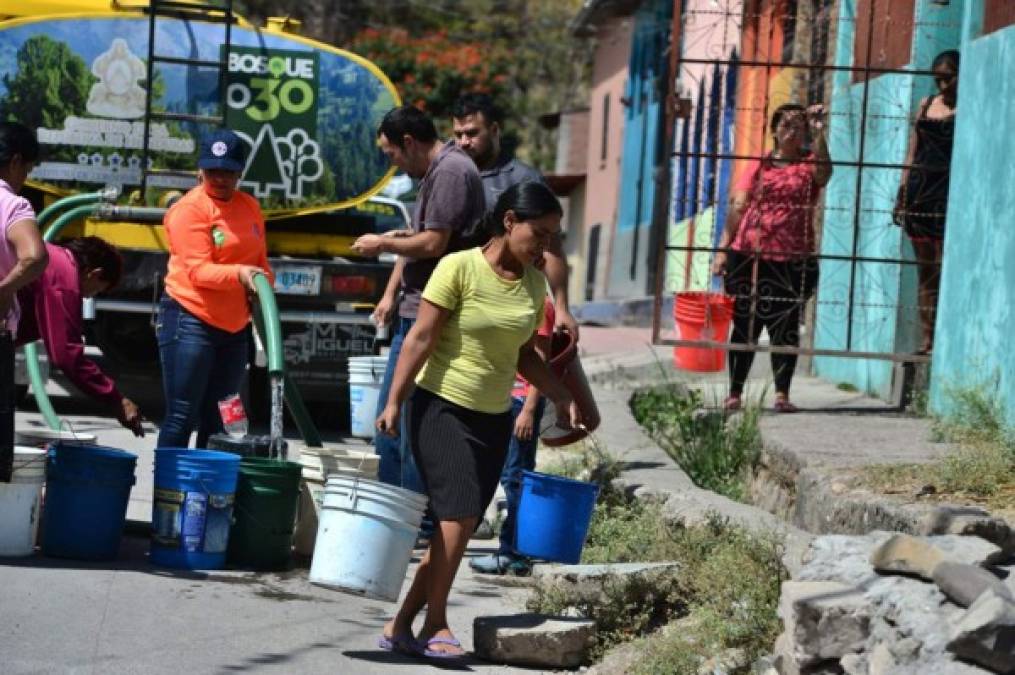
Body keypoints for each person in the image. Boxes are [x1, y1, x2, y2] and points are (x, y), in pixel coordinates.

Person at [375, 182, 581, 659]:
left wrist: (557, 393)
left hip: (493, 418)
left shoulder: (533, 285)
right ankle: (437, 624)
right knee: (457, 514)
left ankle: (401, 623)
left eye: (553, 237)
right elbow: (420, 339)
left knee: (458, 527)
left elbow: (526, 357)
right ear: (509, 222)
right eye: (540, 233)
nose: (546, 246)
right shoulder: (458, 267)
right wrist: (393, 402)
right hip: (440, 406)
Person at [351, 105, 486, 497]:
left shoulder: (449, 172)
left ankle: (406, 519)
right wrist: (391, 291)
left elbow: (432, 243)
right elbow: (417, 237)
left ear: (408, 142)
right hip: (414, 309)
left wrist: (380, 243)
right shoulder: (438, 172)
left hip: (429, 315)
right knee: (395, 425)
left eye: (390, 153)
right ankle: (398, 515)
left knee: (400, 425)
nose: (391, 163)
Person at [156, 129, 273, 449]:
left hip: (235, 328)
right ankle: (169, 495)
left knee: (222, 419)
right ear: (201, 170)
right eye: (212, 170)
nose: (220, 178)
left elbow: (260, 260)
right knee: (182, 415)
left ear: (239, 172)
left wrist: (264, 281)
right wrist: (242, 274)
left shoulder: (249, 206)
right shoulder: (190, 209)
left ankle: (209, 495)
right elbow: (198, 271)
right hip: (190, 319)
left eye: (228, 171)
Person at [711, 103, 831, 413]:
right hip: (750, 254)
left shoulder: (808, 164)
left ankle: (782, 393)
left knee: (786, 325)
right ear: (775, 130)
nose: (794, 131)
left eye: (800, 126)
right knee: (746, 324)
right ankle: (735, 392)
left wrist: (819, 133)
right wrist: (723, 251)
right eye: (787, 125)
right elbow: (738, 207)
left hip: (793, 257)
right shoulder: (758, 166)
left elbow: (824, 175)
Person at [450, 93, 579, 337]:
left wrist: (562, 309)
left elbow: (551, 247)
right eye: (458, 135)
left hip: (509, 304)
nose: (464, 142)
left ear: (495, 129)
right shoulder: (449, 175)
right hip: (454, 302)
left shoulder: (522, 179)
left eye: (472, 133)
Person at [16, 237, 143, 435]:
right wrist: (116, 400)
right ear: (95, 273)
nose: (87, 297)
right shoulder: (64, 278)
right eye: (96, 290)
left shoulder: (51, 257)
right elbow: (66, 354)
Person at [470, 295, 553, 576]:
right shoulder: (513, 297)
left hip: (520, 403)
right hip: (501, 399)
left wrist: (528, 410)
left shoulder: (540, 305)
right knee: (499, 472)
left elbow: (541, 360)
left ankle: (513, 553)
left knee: (516, 478)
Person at [893, 50, 958, 356]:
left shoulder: (968, 107)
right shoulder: (925, 105)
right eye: (938, 79)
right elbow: (912, 150)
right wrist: (902, 191)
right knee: (925, 270)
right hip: (920, 191)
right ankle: (927, 339)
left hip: (947, 193)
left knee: (946, 266)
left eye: (949, 77)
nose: (943, 85)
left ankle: (945, 336)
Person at [0, 122, 48, 338]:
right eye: (26, 170)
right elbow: (34, 258)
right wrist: (3, 291)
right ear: (15, 162)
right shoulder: (12, 205)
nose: (24, 179)